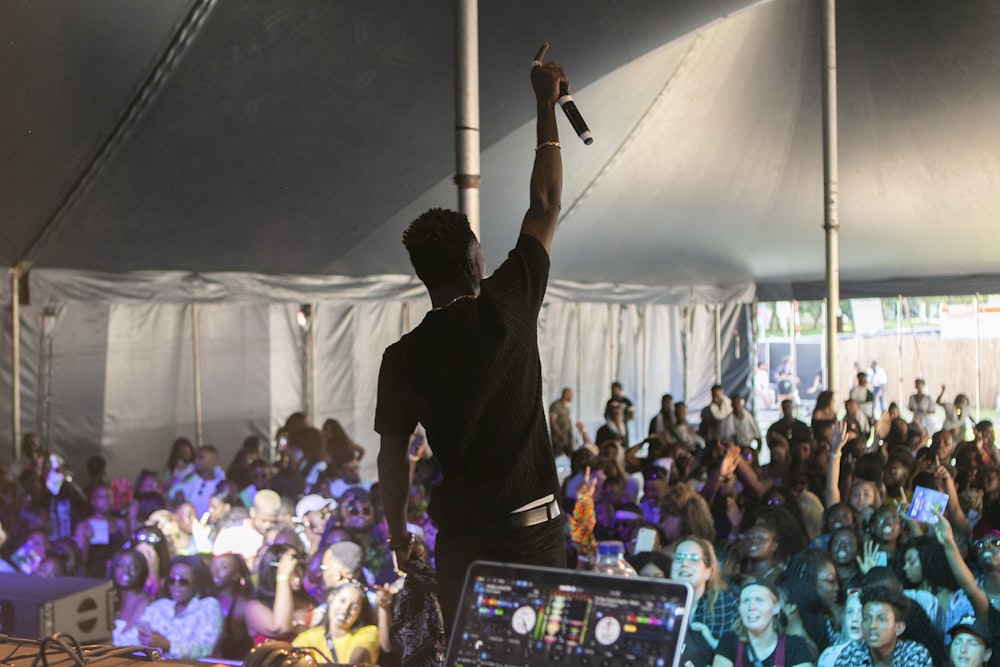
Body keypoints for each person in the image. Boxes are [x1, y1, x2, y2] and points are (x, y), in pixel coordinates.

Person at [375, 43, 569, 630]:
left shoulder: (402, 358)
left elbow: (391, 456)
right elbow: (545, 203)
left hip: (460, 544)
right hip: (532, 533)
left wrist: (398, 535)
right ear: (473, 263)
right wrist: (546, 106)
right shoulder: (507, 304)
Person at [135, 555, 222, 659]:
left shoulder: (208, 606)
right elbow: (136, 633)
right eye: (172, 580)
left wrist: (168, 645)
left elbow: (204, 648)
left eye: (183, 581)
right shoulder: (159, 606)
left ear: (196, 583)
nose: (176, 585)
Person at [712, 580, 813, 667]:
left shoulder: (795, 646)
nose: (751, 607)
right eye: (746, 601)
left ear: (776, 608)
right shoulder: (729, 642)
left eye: (759, 600)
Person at [831, 584, 931, 667]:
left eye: (881, 619)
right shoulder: (850, 654)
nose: (872, 626)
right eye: (866, 619)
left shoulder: (914, 654)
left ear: (899, 627)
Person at [292, 581, 379, 665]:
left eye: (354, 607)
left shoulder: (368, 632)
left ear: (360, 613)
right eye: (342, 601)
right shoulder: (309, 637)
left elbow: (357, 660)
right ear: (331, 599)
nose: (345, 610)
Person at [549, 387, 574, 458]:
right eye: (570, 394)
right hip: (559, 438)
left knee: (572, 456)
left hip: (567, 437)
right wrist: (559, 434)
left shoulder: (566, 406)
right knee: (553, 456)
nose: (571, 396)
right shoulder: (556, 406)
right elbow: (553, 421)